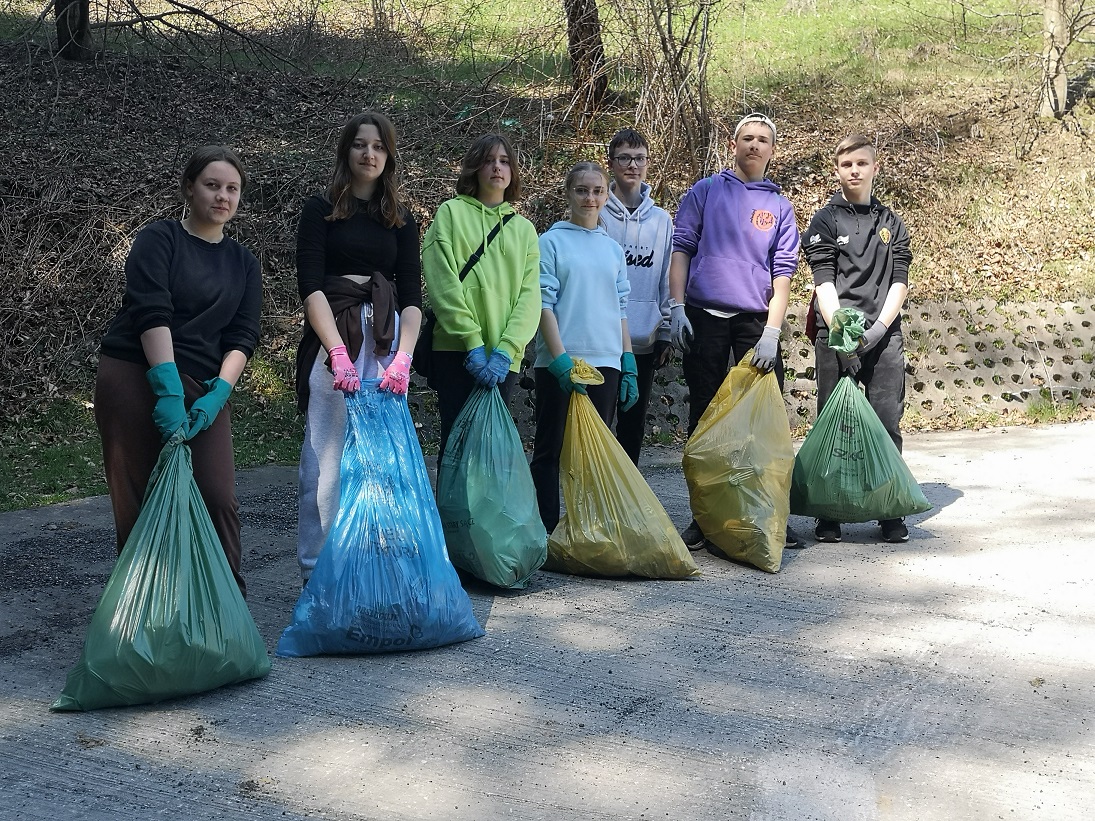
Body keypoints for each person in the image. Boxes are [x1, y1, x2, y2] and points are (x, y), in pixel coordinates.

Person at [95, 145, 261, 597]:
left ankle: (225, 609)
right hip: (136, 372)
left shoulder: (244, 264)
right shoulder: (159, 239)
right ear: (190, 189)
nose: (222, 197)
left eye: (232, 188)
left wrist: (217, 395)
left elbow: (243, 336)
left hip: (204, 383)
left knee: (216, 496)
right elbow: (152, 312)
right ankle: (141, 609)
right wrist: (166, 388)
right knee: (139, 499)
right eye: (212, 185)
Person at [294, 112, 423, 584]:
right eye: (360, 145)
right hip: (336, 340)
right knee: (324, 463)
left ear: (389, 157)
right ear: (346, 151)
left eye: (379, 146)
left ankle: (380, 570)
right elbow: (310, 288)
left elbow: (412, 297)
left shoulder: (401, 221)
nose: (369, 154)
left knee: (385, 463)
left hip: (387, 343)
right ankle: (318, 572)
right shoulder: (320, 209)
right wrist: (337, 353)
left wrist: (404, 358)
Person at [668, 112, 804, 551]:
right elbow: (682, 248)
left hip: (754, 323)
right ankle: (703, 519)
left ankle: (768, 513)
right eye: (747, 138)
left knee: (763, 423)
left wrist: (772, 331)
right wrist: (676, 307)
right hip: (703, 316)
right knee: (704, 420)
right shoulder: (706, 192)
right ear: (733, 144)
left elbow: (782, 273)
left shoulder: (780, 208)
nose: (754, 145)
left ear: (772, 150)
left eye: (763, 139)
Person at [803, 134, 912, 544]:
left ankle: (889, 511)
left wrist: (879, 330)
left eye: (862, 164)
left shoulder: (892, 223)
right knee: (836, 421)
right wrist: (841, 331)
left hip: (883, 336)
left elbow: (899, 281)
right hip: (837, 335)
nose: (854, 171)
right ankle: (829, 514)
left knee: (886, 423)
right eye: (847, 164)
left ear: (874, 168)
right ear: (838, 169)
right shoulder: (824, 220)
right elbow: (823, 282)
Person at [530, 161, 638, 532]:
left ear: (607, 195)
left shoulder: (612, 249)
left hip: (606, 363)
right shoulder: (551, 242)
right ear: (568, 194)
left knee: (592, 455)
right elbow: (543, 303)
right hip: (561, 363)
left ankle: (587, 532)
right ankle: (545, 530)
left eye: (597, 191)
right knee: (550, 450)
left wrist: (628, 361)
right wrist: (559, 360)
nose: (590, 198)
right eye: (581, 190)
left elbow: (621, 306)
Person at [421, 133, 541, 462]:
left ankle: (487, 516)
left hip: (505, 358)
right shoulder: (450, 214)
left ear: (513, 171)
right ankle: (452, 515)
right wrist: (471, 342)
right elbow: (442, 283)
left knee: (489, 451)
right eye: (489, 160)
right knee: (457, 445)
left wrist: (507, 349)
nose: (497, 167)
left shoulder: (524, 230)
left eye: (504, 161)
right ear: (475, 168)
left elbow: (530, 298)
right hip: (456, 351)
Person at [600, 128, 673, 466]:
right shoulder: (596, 212)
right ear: (611, 163)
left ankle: (625, 499)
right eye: (625, 158)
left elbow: (666, 278)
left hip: (643, 337)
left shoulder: (661, 221)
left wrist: (666, 331)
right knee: (597, 425)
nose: (633, 165)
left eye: (639, 158)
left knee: (632, 427)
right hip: (600, 339)